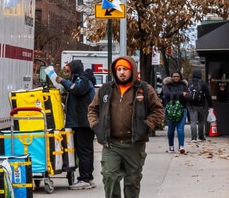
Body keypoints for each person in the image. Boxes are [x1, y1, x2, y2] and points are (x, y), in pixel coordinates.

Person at [87, 56, 164, 198]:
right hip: (112, 144)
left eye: (125, 69)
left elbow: (158, 110)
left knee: (132, 182)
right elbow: (92, 109)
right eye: (119, 69)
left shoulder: (144, 89)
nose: (122, 72)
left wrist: (146, 125)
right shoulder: (106, 89)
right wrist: (96, 125)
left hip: (134, 144)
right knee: (110, 177)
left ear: (132, 71)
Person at [62, 60, 97, 189]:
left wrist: (61, 81)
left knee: (83, 151)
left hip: (82, 122)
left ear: (75, 70)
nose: (67, 74)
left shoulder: (82, 81)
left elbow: (75, 90)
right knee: (86, 150)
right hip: (83, 122)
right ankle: (88, 177)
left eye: (68, 71)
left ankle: (84, 179)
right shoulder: (84, 80)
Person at [160, 73, 188, 153]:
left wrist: (175, 95)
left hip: (182, 109)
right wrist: (181, 94)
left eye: (177, 76)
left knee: (180, 129)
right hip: (170, 109)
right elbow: (166, 94)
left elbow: (188, 96)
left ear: (180, 77)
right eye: (174, 76)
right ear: (171, 77)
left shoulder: (184, 85)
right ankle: (171, 146)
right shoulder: (167, 85)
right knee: (171, 129)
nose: (176, 78)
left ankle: (181, 147)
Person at [184, 72, 211, 146]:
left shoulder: (189, 83)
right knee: (201, 121)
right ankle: (201, 137)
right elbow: (208, 95)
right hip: (201, 105)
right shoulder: (203, 83)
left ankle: (193, 138)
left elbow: (185, 94)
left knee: (193, 121)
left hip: (191, 105)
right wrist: (210, 105)